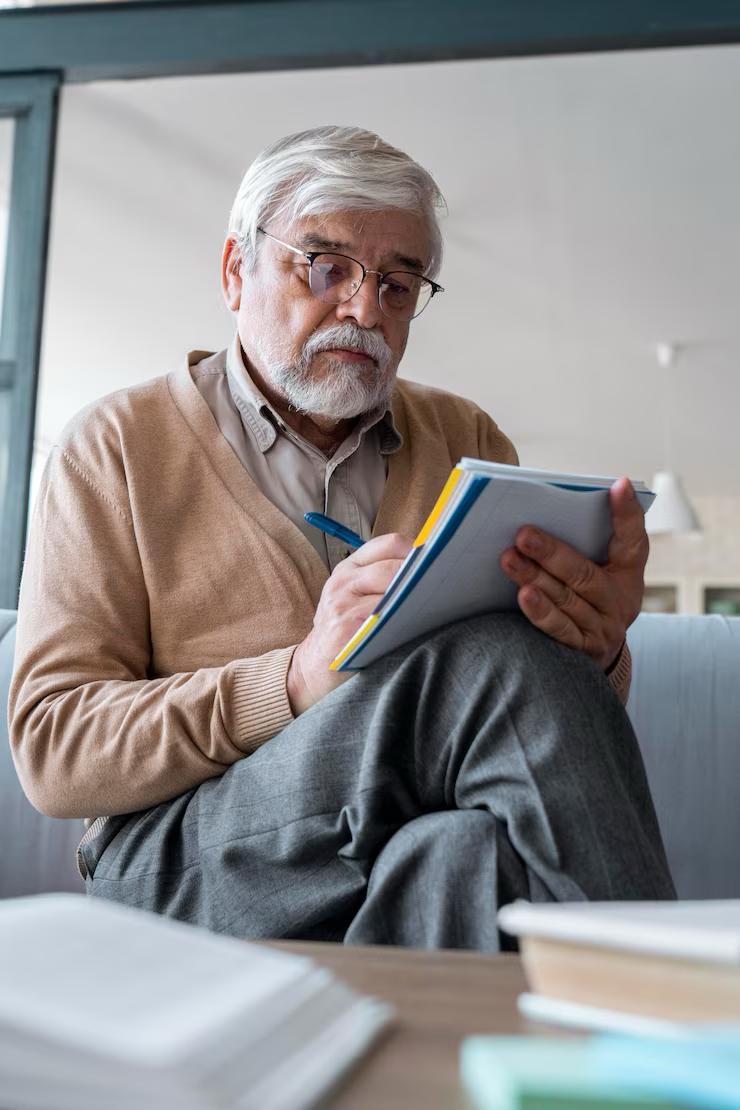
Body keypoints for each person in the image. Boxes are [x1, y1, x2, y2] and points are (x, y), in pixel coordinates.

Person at [9, 126, 674, 949]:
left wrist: (596, 649)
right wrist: (291, 681)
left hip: (409, 830)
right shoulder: (113, 446)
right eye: (326, 267)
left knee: (466, 853)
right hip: (172, 861)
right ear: (234, 270)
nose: (365, 309)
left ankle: (411, 1063)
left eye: (400, 285)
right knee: (488, 665)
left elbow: (541, 738)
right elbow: (54, 749)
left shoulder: (466, 437)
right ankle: (671, 1027)